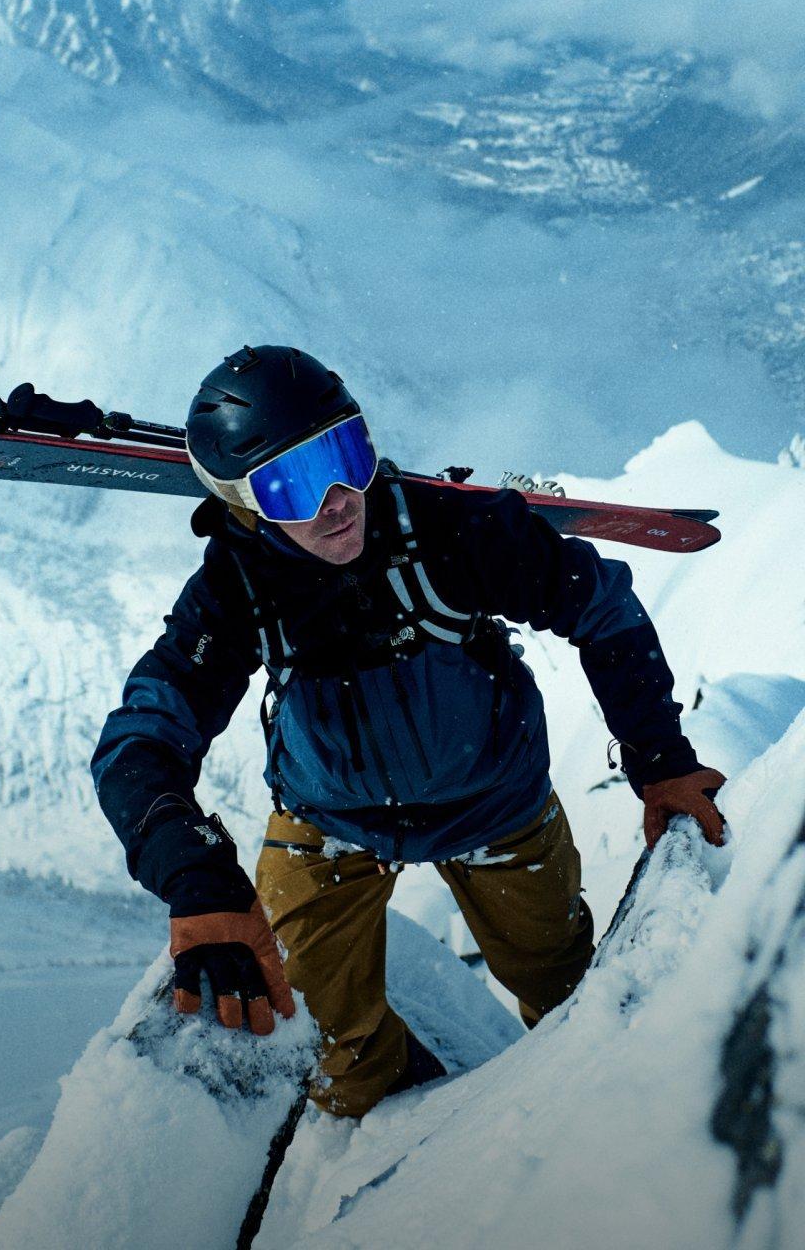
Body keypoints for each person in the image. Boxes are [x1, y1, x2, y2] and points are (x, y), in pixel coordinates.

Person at [92, 344, 726, 1117]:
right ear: (244, 504)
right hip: (330, 821)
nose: (337, 500)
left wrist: (661, 760)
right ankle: (406, 1126)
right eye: (293, 484)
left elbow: (600, 605)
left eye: (347, 455)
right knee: (329, 1054)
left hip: (496, 804)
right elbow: (141, 740)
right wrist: (195, 877)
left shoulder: (454, 534)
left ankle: (576, 1119)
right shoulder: (235, 591)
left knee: (562, 989)